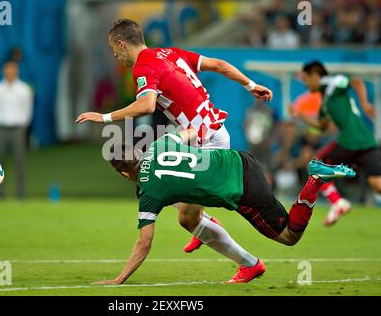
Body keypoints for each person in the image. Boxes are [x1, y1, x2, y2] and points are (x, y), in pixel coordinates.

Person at [76, 18, 273, 254]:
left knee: (184, 214)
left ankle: (247, 262)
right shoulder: (170, 53)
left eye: (113, 49)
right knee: (161, 177)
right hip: (206, 133)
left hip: (205, 139)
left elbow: (146, 106)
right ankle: (206, 222)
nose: (115, 55)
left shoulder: (143, 67)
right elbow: (219, 65)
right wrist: (251, 85)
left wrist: (105, 117)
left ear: (121, 44)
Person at [93, 129, 355, 285]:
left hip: (242, 189)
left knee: (289, 236)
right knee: (186, 217)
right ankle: (245, 260)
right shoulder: (159, 145)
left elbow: (144, 242)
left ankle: (315, 179)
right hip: (239, 159)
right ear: (139, 153)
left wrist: (119, 279)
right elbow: (192, 133)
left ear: (125, 175)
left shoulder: (147, 190)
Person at [291, 60, 381, 226]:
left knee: (316, 164)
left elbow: (356, 81)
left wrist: (364, 103)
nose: (305, 84)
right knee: (377, 185)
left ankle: (338, 203)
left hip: (350, 139)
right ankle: (337, 203)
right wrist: (301, 115)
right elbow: (322, 126)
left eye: (306, 79)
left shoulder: (332, 83)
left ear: (315, 75)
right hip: (365, 141)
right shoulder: (325, 101)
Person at [0, 61, 33, 199]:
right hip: (1, 128)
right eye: (8, 70)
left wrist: (23, 123)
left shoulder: (24, 89)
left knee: (20, 161)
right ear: (4, 71)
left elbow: (28, 109)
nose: (10, 73)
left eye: (12, 70)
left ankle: (20, 194)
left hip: (18, 128)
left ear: (16, 71)